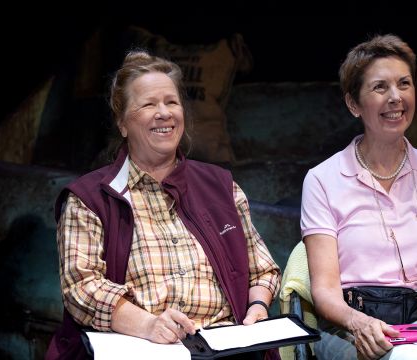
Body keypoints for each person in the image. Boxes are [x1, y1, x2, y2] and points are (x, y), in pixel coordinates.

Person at [46, 50, 281, 360]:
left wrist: (258, 308)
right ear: (122, 123)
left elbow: (263, 270)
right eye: (148, 104)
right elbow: (81, 287)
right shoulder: (89, 198)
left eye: (171, 102)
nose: (164, 113)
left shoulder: (221, 186)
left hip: (225, 348)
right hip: (141, 350)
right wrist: (147, 324)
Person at [300, 34, 417, 360]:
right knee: (408, 358)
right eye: (380, 87)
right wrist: (359, 322)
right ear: (353, 104)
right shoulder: (323, 179)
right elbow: (325, 290)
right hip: (352, 321)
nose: (396, 97)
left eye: (404, 84)